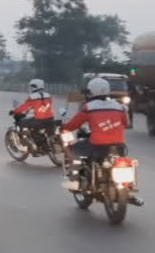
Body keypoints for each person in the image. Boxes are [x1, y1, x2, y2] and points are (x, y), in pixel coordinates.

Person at [60, 77, 142, 205]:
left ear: (92, 92)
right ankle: (128, 188)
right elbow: (127, 124)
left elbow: (73, 125)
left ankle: (75, 180)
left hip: (97, 146)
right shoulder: (120, 106)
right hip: (118, 147)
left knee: (72, 149)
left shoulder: (88, 107)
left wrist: (63, 127)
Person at [11, 78, 56, 144]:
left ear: (35, 86)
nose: (31, 88)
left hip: (39, 120)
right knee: (35, 126)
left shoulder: (32, 97)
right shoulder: (48, 95)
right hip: (50, 118)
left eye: (32, 86)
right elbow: (43, 104)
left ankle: (23, 141)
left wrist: (14, 111)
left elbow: (24, 107)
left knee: (21, 122)